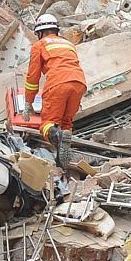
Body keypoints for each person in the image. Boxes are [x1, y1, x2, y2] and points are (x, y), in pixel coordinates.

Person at [24, 13, 87, 167]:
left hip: (58, 83)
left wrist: (28, 102)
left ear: (39, 32)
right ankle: (62, 163)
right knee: (66, 123)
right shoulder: (68, 44)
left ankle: (57, 137)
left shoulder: (39, 45)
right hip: (79, 82)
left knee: (47, 124)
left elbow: (33, 77)